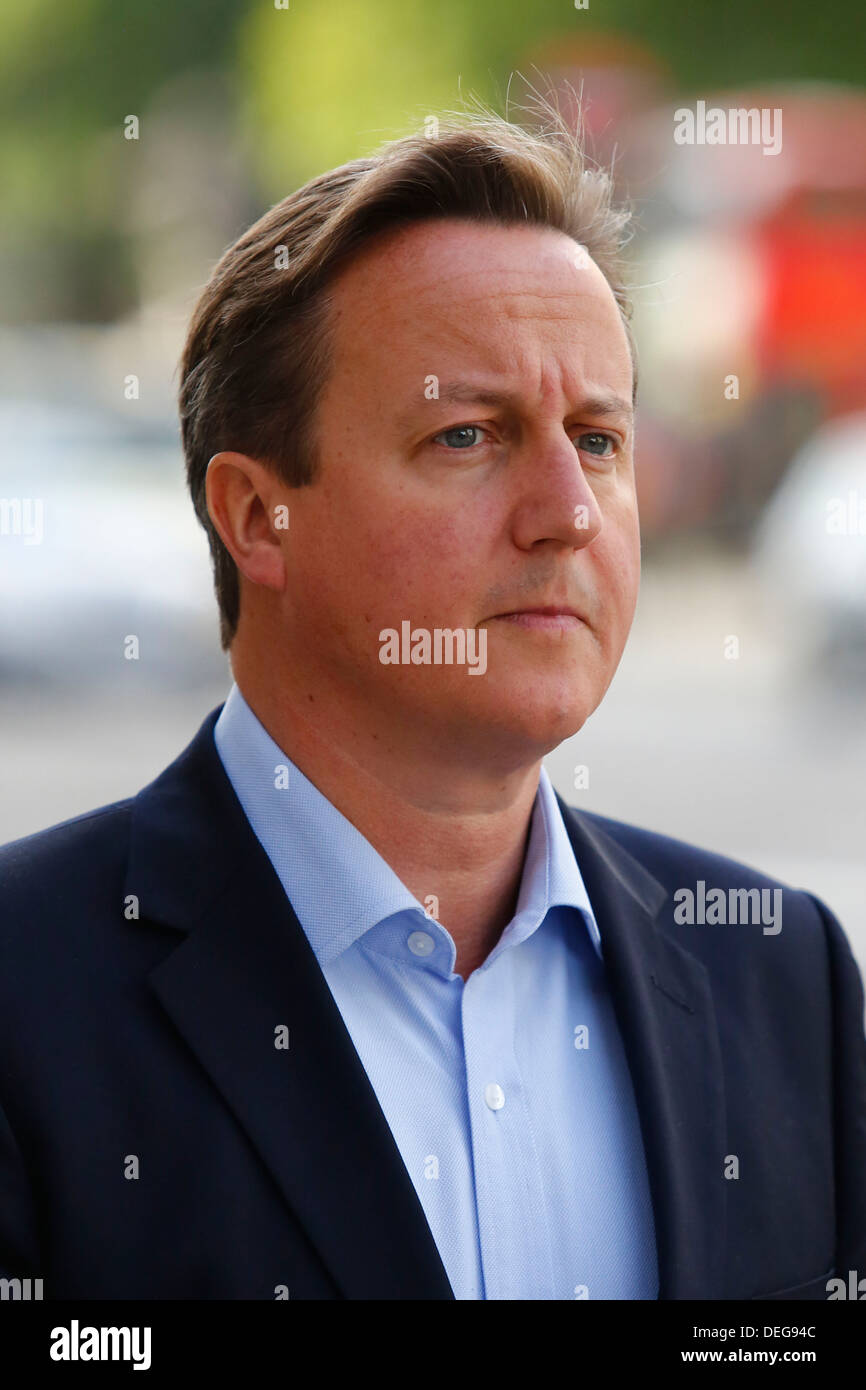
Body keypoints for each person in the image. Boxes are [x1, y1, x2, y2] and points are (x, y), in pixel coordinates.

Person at [1, 100, 864, 1302]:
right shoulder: (24, 988)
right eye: (468, 435)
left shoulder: (781, 975)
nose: (566, 508)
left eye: (599, 439)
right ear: (259, 516)